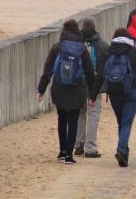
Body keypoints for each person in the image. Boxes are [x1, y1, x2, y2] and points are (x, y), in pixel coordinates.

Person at [38, 19, 96, 165]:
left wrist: (41, 89)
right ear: (77, 31)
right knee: (73, 120)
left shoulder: (57, 47)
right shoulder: (82, 49)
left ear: (64, 31)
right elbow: (89, 71)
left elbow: (48, 69)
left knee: (61, 119)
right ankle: (70, 155)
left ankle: (62, 151)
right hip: (77, 89)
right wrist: (93, 93)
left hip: (59, 88)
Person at [91, 28, 136, 167]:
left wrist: (93, 94)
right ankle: (121, 149)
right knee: (127, 123)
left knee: (121, 122)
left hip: (114, 91)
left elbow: (101, 75)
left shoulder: (109, 51)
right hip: (132, 90)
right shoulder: (134, 52)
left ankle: (124, 152)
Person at [74, 17, 108, 158]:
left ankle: (78, 145)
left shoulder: (76, 43)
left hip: (79, 84)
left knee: (80, 114)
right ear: (95, 27)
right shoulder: (102, 45)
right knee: (93, 115)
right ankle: (90, 147)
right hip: (95, 85)